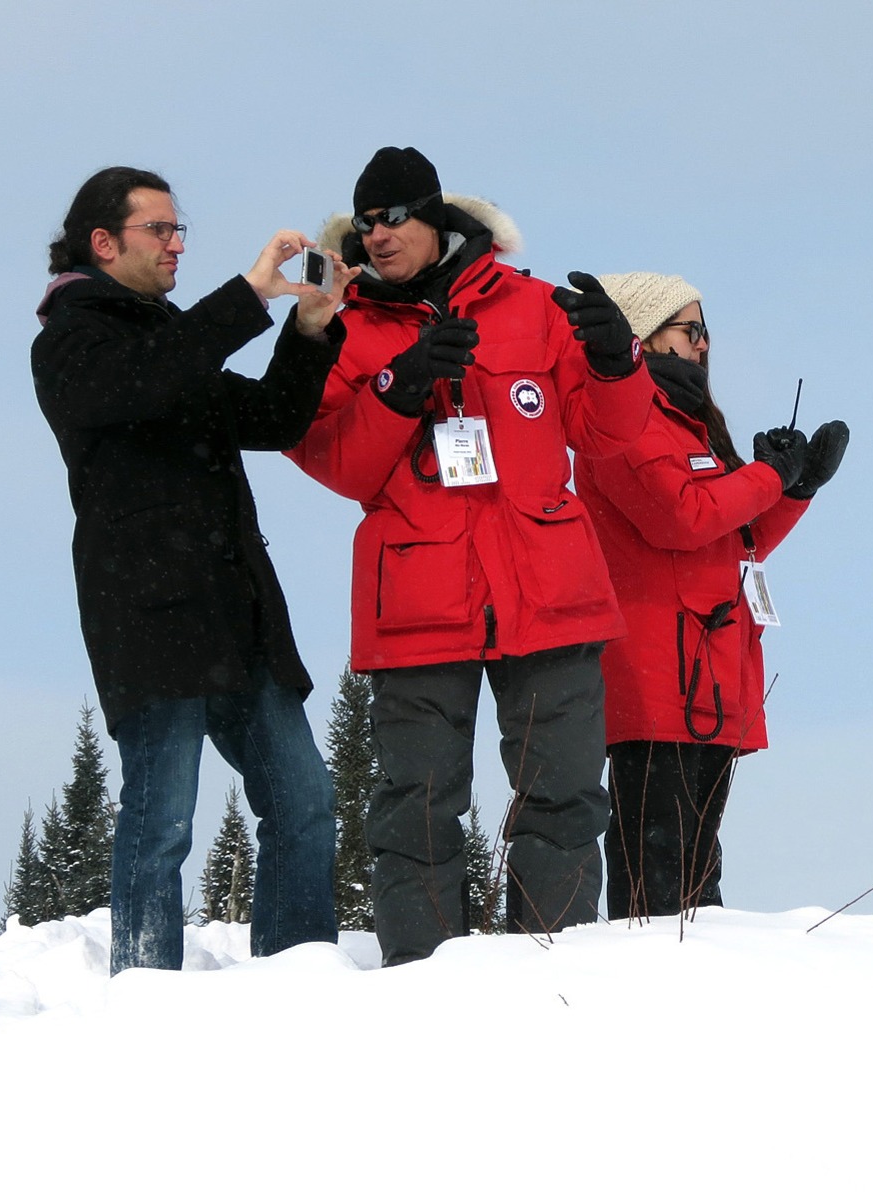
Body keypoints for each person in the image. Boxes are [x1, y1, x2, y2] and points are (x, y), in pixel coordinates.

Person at [287, 147, 653, 965]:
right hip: (419, 602)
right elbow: (336, 463)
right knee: (414, 811)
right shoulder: (341, 326)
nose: (378, 236)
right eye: (365, 222)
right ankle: (424, 990)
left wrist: (618, 361)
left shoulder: (532, 306)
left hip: (549, 592)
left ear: (435, 217)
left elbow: (612, 433)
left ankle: (552, 983)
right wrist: (401, 387)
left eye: (394, 218)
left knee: (564, 800)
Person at [31, 166, 354, 973]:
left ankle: (299, 977)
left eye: (182, 230)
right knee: (163, 816)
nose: (178, 243)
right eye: (161, 230)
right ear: (103, 243)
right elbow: (137, 385)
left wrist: (309, 325)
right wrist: (247, 293)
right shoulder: (71, 339)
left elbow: (273, 416)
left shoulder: (173, 341)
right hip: (145, 611)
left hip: (234, 611)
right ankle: (144, 990)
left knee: (305, 801)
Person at [576, 273, 848, 918]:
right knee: (660, 869)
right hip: (656, 674)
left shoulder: (688, 427)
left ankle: (697, 986)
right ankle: (654, 988)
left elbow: (734, 542)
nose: (702, 345)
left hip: (705, 668)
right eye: (688, 329)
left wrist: (796, 487)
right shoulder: (626, 424)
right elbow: (683, 518)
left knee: (697, 867)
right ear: (641, 335)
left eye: (705, 332)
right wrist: (765, 476)